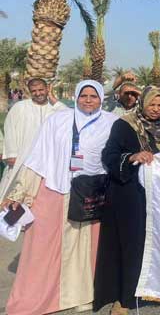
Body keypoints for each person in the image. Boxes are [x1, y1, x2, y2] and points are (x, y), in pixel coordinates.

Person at [3, 80, 118, 315]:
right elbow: (37, 157)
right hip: (55, 190)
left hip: (92, 194)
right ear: (76, 97)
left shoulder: (112, 123)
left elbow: (121, 155)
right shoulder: (58, 120)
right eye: (83, 95)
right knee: (42, 248)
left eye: (93, 96)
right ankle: (43, 299)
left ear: (101, 98)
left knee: (88, 249)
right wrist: (20, 192)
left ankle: (84, 296)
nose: (88, 100)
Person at [94, 86, 160, 314]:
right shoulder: (125, 124)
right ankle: (124, 299)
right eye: (151, 104)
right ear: (142, 103)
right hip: (131, 197)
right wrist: (133, 157)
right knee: (133, 245)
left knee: (159, 243)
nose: (156, 109)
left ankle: (155, 290)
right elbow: (109, 156)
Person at [0, 78, 65, 201]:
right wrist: (11, 154)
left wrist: (54, 99)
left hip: (46, 162)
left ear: (47, 89)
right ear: (29, 91)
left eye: (41, 90)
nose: (38, 93)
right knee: (11, 193)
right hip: (22, 159)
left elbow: (69, 118)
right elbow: (9, 129)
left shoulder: (55, 108)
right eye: (34, 91)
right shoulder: (20, 107)